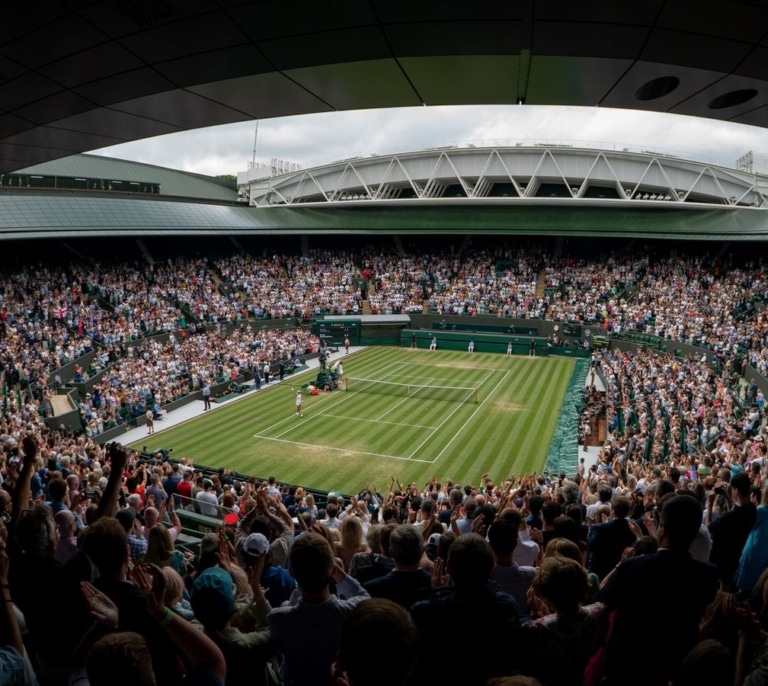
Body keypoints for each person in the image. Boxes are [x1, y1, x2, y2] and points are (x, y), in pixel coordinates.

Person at [596, 493, 719, 686]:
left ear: (662, 528)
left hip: (626, 668)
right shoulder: (708, 575)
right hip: (672, 668)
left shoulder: (632, 567)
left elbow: (602, 601)